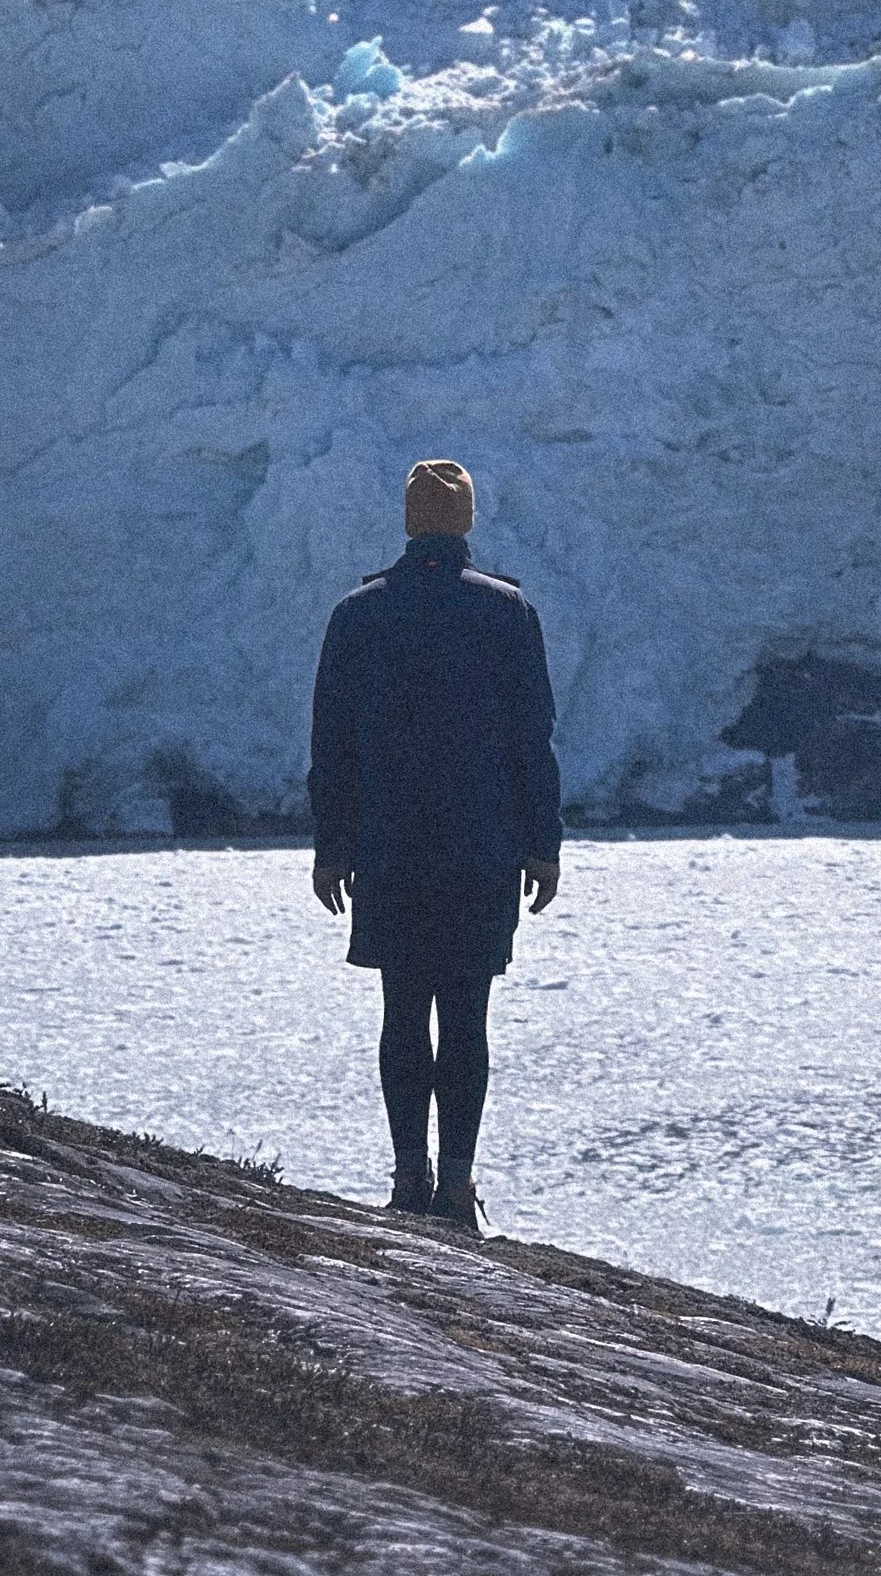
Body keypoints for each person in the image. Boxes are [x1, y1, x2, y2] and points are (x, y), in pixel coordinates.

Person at [307, 457, 563, 1226]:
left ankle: (406, 1176)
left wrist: (332, 845)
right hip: (481, 849)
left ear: (410, 520)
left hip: (391, 846)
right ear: (466, 524)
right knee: (466, 1014)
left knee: (401, 1008)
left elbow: (333, 743)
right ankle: (457, 1181)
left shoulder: (358, 615)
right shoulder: (507, 613)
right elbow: (533, 740)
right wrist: (542, 843)